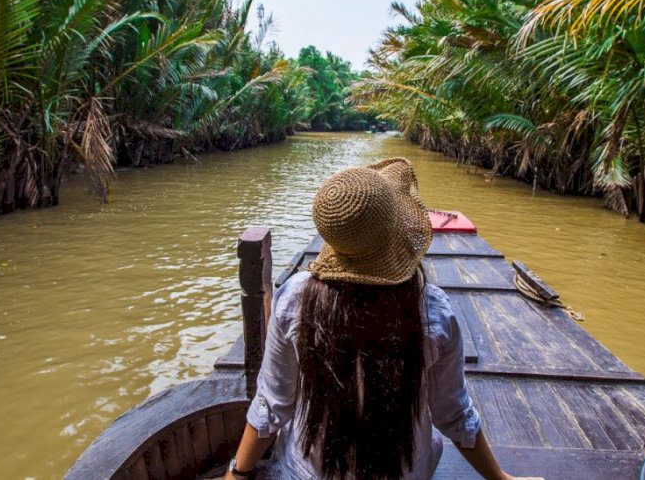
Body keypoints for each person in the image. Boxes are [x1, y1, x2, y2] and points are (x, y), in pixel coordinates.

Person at [221, 158, 543, 480]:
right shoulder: (432, 311)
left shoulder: (293, 298)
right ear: (397, 231)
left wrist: (237, 472)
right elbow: (453, 415)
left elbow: (272, 404)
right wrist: (501, 479)